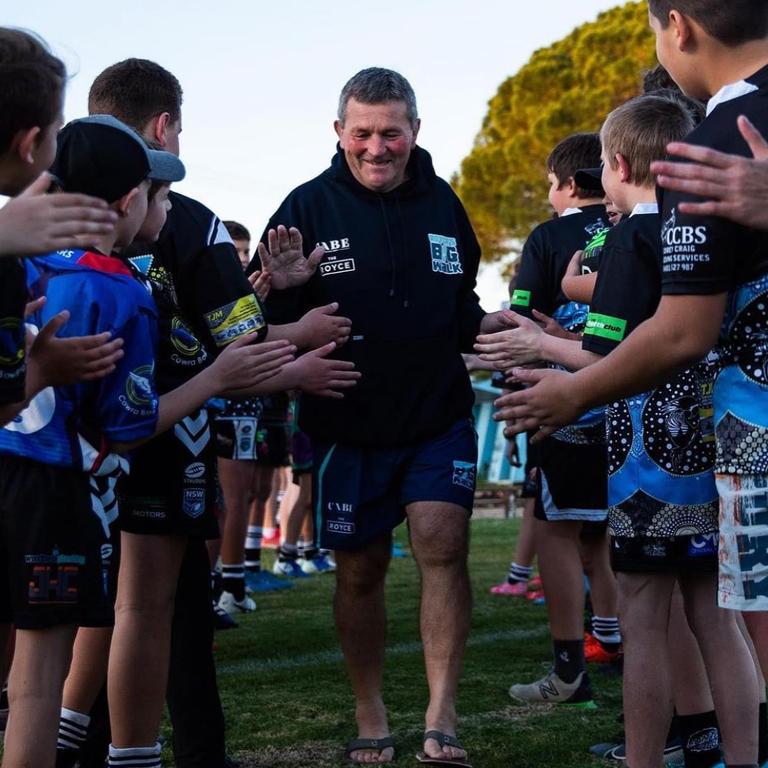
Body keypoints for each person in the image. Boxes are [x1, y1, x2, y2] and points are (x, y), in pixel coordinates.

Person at [497, 1, 768, 760]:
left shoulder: (643, 225)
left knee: (646, 623)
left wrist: (554, 364)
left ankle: (648, 755)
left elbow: (650, 342)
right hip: (718, 448)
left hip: (659, 461)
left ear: (677, 26)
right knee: (720, 621)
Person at [87, 58, 358, 768]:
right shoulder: (188, 219)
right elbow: (237, 341)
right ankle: (151, 752)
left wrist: (266, 300)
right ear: (165, 127)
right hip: (161, 435)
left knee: (85, 609)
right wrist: (298, 340)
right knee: (154, 610)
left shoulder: (41, 221)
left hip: (69, 449)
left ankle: (71, 742)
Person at [251, 67, 513, 767]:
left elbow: (460, 312)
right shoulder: (303, 207)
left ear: (415, 131)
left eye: (390, 132)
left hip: (437, 416)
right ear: (339, 133)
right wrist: (283, 296)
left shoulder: (446, 206)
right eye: (361, 133)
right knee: (360, 570)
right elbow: (256, 325)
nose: (376, 147)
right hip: (346, 426)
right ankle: (371, 712)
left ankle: (440, 714)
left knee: (442, 541)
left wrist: (497, 329)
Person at [0, 114, 190, 768]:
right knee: (39, 676)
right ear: (125, 200)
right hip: (55, 488)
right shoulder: (121, 291)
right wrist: (216, 379)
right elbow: (128, 425)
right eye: (150, 190)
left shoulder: (18, 263)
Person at [482, 132, 620, 707]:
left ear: (565, 184)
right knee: (608, 531)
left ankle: (568, 670)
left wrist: (511, 386)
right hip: (630, 401)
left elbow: (521, 323)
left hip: (565, 401)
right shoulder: (633, 226)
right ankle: (613, 638)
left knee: (556, 531)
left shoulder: (547, 236)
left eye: (548, 184)